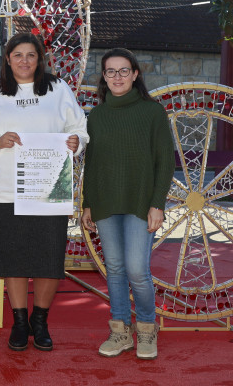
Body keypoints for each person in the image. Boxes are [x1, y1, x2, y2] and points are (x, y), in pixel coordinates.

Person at [0, 33, 88, 351]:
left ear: (40, 58)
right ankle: (19, 323)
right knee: (14, 258)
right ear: (7, 59)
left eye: (30, 55)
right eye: (17, 55)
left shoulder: (57, 89)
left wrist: (76, 143)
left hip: (49, 187)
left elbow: (79, 127)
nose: (24, 61)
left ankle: (40, 321)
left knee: (49, 258)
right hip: (5, 190)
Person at [80, 48, 174, 360]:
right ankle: (120, 331)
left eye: (124, 71)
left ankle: (147, 328)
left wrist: (157, 204)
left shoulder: (152, 112)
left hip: (140, 202)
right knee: (115, 269)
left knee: (136, 269)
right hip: (105, 202)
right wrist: (88, 203)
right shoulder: (97, 116)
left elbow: (165, 162)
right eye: (110, 71)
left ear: (135, 74)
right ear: (103, 78)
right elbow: (91, 164)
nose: (117, 77)